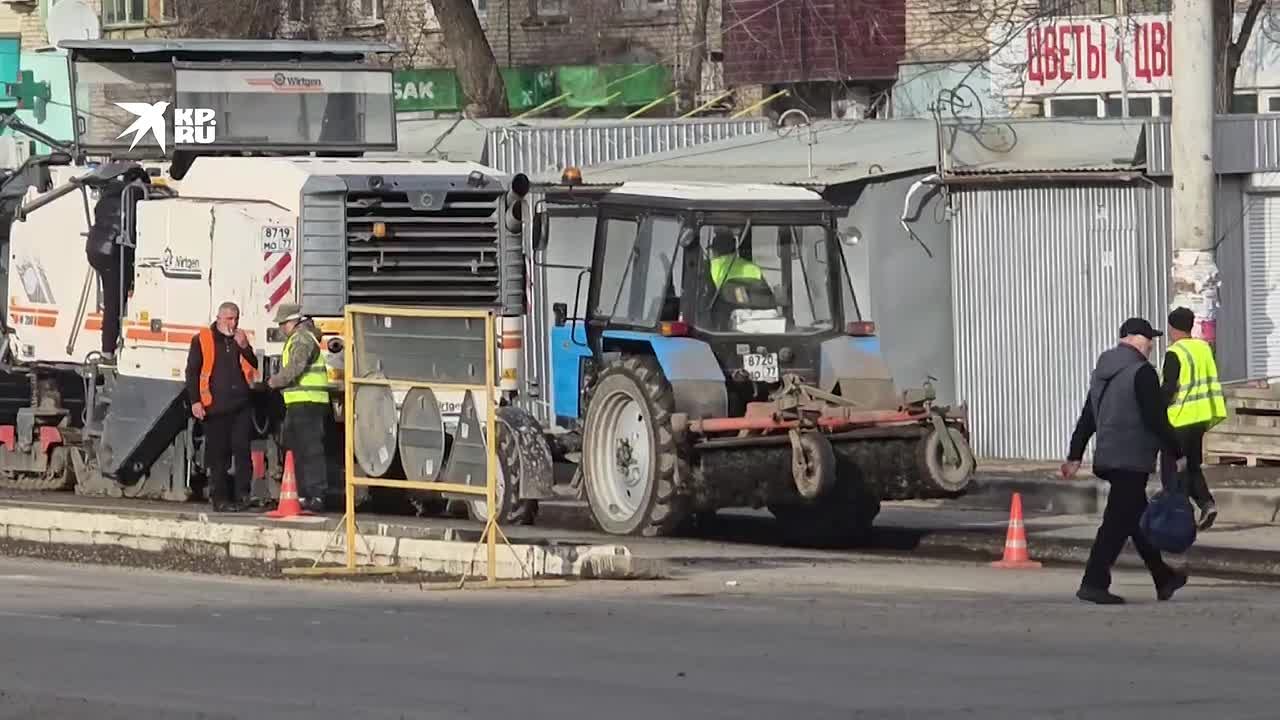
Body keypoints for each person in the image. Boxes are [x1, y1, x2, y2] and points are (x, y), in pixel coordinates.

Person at [1061, 317, 1189, 605]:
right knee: (1116, 523)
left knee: (1135, 517)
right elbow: (1156, 418)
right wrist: (1177, 453)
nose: (1153, 344)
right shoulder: (1141, 372)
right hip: (1132, 458)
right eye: (1149, 339)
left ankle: (1163, 577)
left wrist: (1075, 455)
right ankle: (1093, 582)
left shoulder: (1103, 371)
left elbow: (1088, 416)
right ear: (1134, 338)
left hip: (1109, 456)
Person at [185, 302, 258, 512]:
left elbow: (253, 363)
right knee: (219, 455)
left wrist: (245, 346)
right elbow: (192, 372)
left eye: (236, 319)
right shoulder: (203, 339)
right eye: (229, 319)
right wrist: (195, 401)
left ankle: (242, 495)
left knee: (242, 451)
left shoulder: (239, 339)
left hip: (240, 405)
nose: (233, 323)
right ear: (219, 318)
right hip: (215, 406)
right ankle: (221, 498)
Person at [1160, 307, 1227, 531]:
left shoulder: (1174, 353)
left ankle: (1174, 518)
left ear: (1172, 328)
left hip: (1179, 419)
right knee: (1191, 466)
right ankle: (1206, 504)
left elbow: (1169, 388)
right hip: (1201, 417)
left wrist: (1155, 409)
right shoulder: (1203, 348)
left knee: (1171, 470)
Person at [266, 303, 330, 513]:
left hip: (307, 402)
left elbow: (296, 366)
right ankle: (305, 495)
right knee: (300, 450)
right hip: (301, 401)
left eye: (283, 324)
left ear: (293, 322)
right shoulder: (304, 337)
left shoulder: (301, 338)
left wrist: (274, 381)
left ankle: (315, 496)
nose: (282, 328)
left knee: (309, 451)